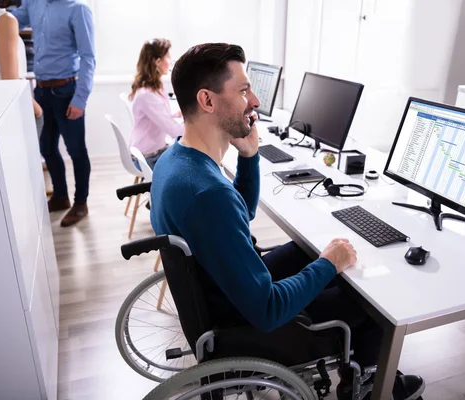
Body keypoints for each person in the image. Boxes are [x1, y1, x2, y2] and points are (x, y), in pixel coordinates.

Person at [150, 43, 425, 400]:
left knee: (304, 250)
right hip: (246, 322)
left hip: (222, 293)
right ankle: (371, 384)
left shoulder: (179, 159)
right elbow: (267, 310)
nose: (255, 102)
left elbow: (237, 215)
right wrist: (330, 263)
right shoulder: (206, 192)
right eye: (243, 90)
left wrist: (248, 157)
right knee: (369, 298)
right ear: (208, 100)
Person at [12, 0, 96, 227]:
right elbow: (13, 20)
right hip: (41, 91)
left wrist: (80, 99)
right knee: (46, 148)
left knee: (76, 150)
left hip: (67, 91)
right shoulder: (34, 3)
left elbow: (88, 57)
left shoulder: (78, 9)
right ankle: (60, 196)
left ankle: (81, 203)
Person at [128, 38, 183, 170]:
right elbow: (175, 132)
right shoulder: (147, 95)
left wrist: (177, 115)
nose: (170, 62)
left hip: (151, 150)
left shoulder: (152, 87)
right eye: (168, 58)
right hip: (148, 158)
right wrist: (195, 120)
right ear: (158, 62)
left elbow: (158, 114)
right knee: (192, 164)